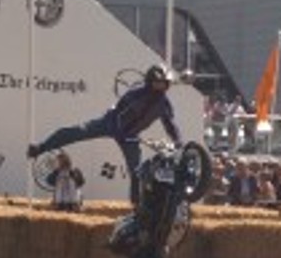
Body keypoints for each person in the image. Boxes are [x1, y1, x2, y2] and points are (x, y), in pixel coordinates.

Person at [28, 64, 182, 200]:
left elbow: (170, 125)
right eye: (158, 83)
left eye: (164, 84)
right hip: (109, 124)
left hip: (130, 137)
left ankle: (137, 206)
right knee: (76, 132)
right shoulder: (135, 93)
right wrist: (118, 129)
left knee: (136, 172)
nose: (161, 87)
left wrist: (177, 140)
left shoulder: (164, 104)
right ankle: (40, 148)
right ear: (149, 81)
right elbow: (120, 112)